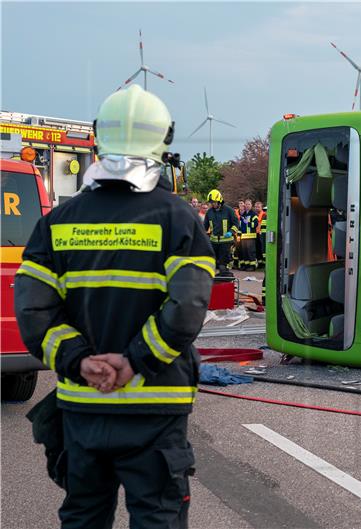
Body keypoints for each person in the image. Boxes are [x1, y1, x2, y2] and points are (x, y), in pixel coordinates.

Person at [14, 84, 214, 529]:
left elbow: (34, 313)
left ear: (98, 137)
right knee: (157, 518)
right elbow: (187, 308)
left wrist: (81, 363)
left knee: (83, 516)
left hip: (83, 408)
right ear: (164, 139)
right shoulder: (179, 219)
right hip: (156, 409)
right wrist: (133, 363)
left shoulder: (56, 223)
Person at [203, 189, 239, 275]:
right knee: (212, 263)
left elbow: (236, 223)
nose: (212, 204)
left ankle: (225, 280)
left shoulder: (229, 210)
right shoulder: (209, 212)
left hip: (226, 242)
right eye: (211, 203)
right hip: (213, 242)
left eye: (214, 202)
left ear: (219, 201)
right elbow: (205, 226)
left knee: (223, 265)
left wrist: (231, 232)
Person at [238, 199, 258, 271]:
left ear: (251, 205)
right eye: (246, 204)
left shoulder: (253, 214)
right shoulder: (243, 215)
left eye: (249, 204)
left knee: (250, 252)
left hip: (251, 236)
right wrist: (239, 235)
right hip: (243, 236)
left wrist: (248, 223)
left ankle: (252, 266)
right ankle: (246, 265)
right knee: (245, 252)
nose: (247, 205)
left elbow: (255, 224)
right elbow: (240, 226)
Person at [254, 201, 266, 268]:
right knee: (258, 249)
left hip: (262, 234)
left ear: (261, 207)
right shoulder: (254, 214)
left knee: (263, 249)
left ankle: (264, 263)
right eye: (256, 207)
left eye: (258, 207)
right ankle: (260, 263)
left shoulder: (264, 215)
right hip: (256, 234)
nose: (257, 208)